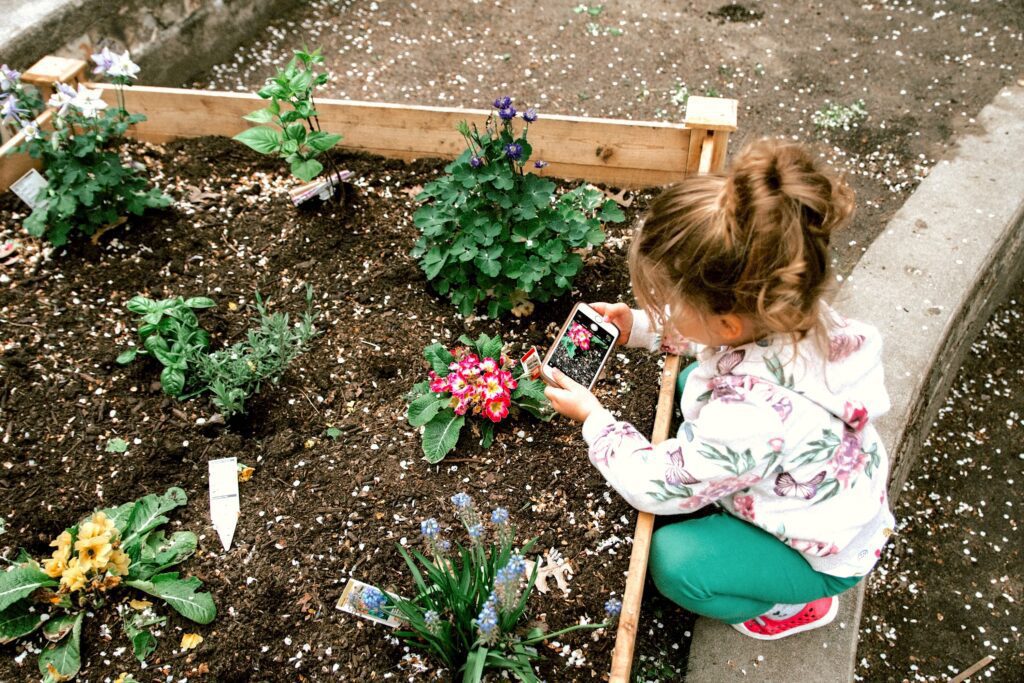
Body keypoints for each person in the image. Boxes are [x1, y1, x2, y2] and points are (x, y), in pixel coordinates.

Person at [543, 139, 894, 640]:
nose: (661, 304)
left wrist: (595, 419)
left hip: (818, 551)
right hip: (824, 491)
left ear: (727, 322)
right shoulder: (796, 312)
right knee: (691, 381)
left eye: (668, 299)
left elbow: (653, 486)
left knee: (674, 561)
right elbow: (720, 339)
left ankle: (791, 606)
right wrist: (640, 327)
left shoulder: (745, 420)